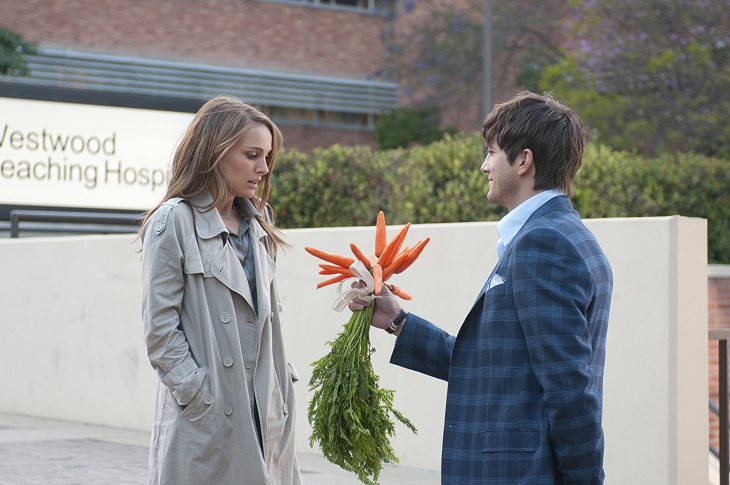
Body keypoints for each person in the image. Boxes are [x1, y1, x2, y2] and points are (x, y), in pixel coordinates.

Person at [351, 91, 613, 484]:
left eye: (491, 153)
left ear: (524, 160)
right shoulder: (554, 236)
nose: (483, 165)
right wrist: (397, 321)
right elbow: (491, 365)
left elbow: (569, 389)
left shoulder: (547, 244)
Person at [140, 96, 302, 485]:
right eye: (252, 155)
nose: (263, 169)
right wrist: (199, 394)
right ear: (216, 151)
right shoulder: (173, 222)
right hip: (208, 417)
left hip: (265, 412)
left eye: (266, 157)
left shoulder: (259, 224)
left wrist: (279, 382)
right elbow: (160, 331)